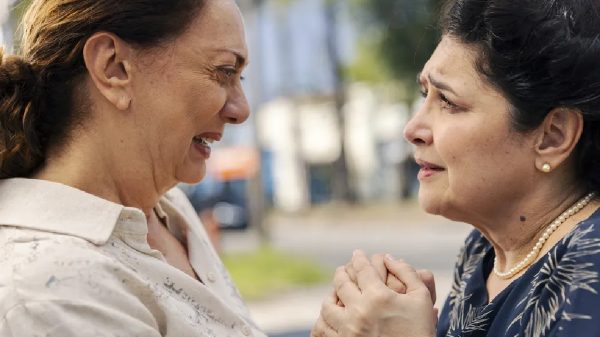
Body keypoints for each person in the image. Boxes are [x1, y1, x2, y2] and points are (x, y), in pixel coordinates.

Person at [311, 0, 600, 336]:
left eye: (448, 102)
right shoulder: (484, 253)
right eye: (425, 94)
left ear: (553, 136)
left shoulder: (590, 272)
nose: (412, 129)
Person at [0, 0, 261, 336]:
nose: (241, 110)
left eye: (240, 77)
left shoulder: (169, 210)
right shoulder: (45, 290)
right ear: (114, 67)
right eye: (224, 71)